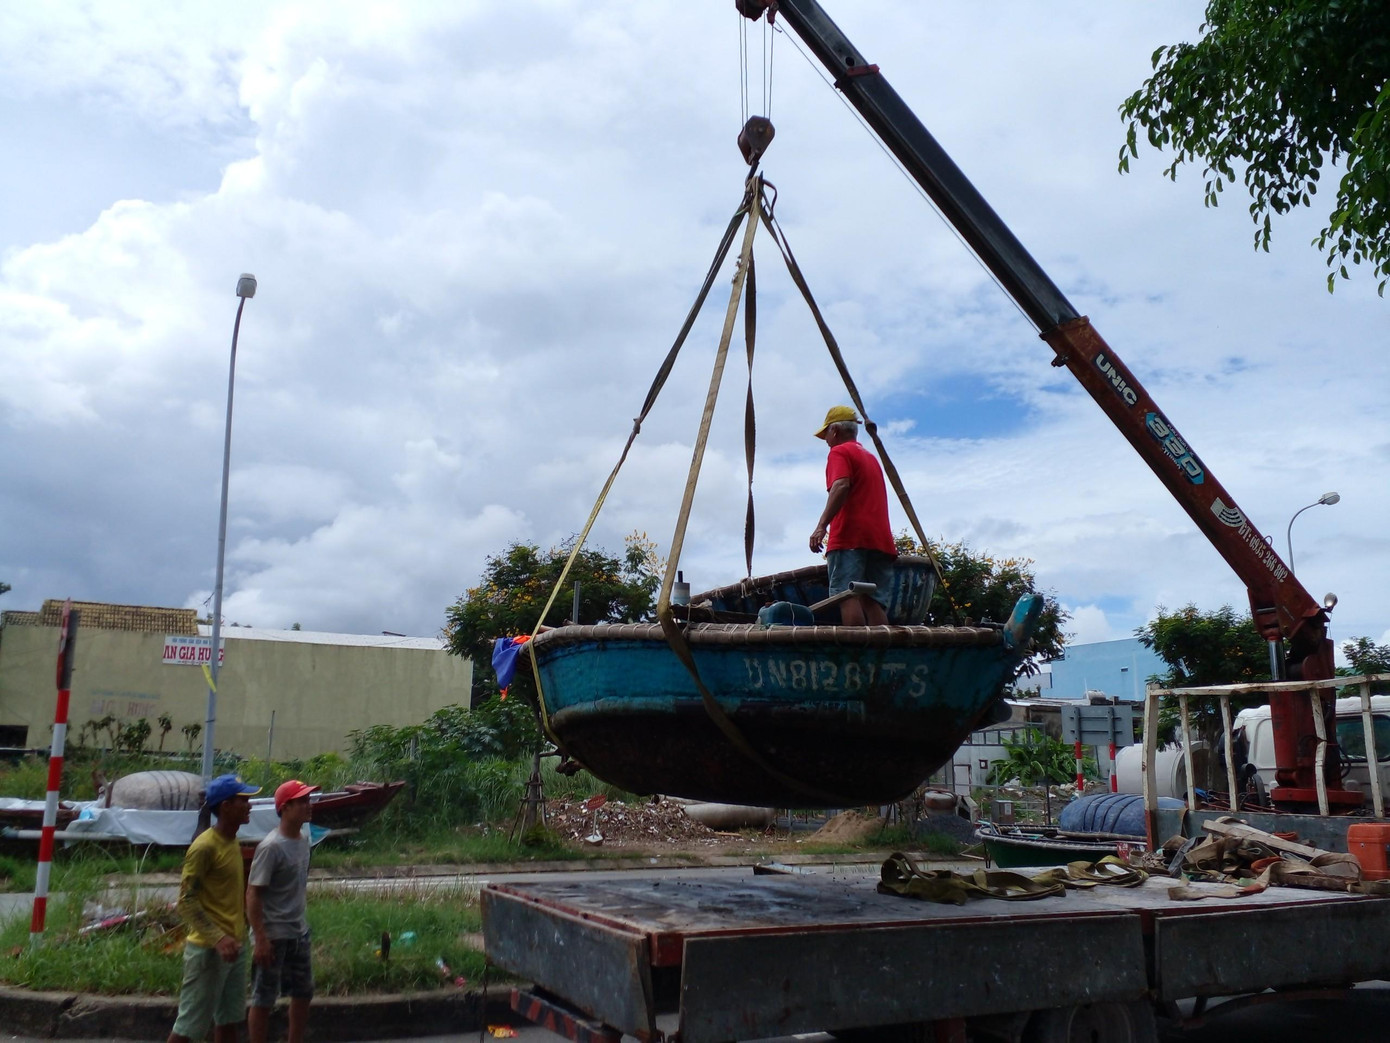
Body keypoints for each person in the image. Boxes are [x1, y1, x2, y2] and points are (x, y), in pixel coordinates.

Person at [168, 773, 261, 1043]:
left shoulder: (232, 842)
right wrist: (218, 938)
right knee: (188, 1028)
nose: (249, 806)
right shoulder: (204, 847)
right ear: (225, 806)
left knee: (229, 1021)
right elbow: (186, 901)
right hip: (209, 952)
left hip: (235, 947)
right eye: (243, 800)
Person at [808, 405, 897, 626]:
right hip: (879, 539)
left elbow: (841, 486)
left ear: (835, 430)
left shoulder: (839, 452)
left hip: (850, 536)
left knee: (846, 595)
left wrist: (821, 526)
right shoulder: (870, 457)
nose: (826, 441)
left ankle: (856, 646)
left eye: (826, 434)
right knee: (872, 600)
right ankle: (880, 647)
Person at [247, 779, 320, 1043]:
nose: (308, 805)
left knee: (303, 992)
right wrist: (260, 938)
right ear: (285, 808)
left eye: (308, 800)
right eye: (302, 801)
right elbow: (253, 893)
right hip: (273, 935)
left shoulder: (304, 840)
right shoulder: (271, 847)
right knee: (264, 998)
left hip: (298, 932)